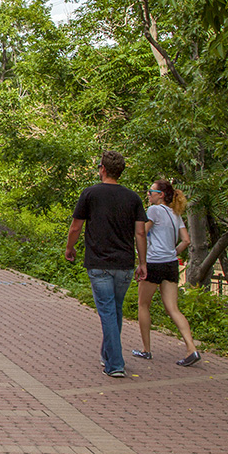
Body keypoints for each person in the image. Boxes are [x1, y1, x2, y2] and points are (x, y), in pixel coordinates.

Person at [64, 150, 147, 378]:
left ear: (102, 169)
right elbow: (140, 233)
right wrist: (143, 262)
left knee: (108, 312)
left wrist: (70, 248)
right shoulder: (133, 198)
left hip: (99, 263)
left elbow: (76, 226)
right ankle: (107, 355)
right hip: (125, 264)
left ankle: (115, 364)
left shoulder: (90, 194)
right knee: (115, 310)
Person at [133, 179, 200, 366]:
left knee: (143, 305)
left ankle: (146, 350)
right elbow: (186, 240)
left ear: (160, 195)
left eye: (150, 191)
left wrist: (141, 259)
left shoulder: (154, 210)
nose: (148, 194)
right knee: (173, 308)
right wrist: (172, 252)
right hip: (171, 264)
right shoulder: (175, 213)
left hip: (154, 262)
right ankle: (191, 348)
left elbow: (141, 233)